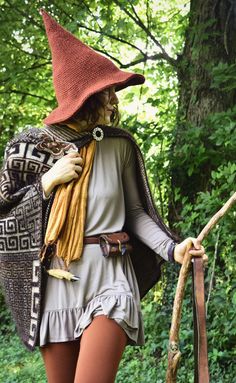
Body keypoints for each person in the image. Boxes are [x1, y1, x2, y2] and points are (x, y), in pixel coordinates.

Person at [0, 10, 207, 383]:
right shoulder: (29, 148)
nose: (114, 98)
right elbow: (5, 216)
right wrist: (47, 182)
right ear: (84, 97)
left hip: (111, 277)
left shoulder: (119, 146)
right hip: (57, 284)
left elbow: (135, 212)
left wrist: (172, 249)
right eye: (106, 90)